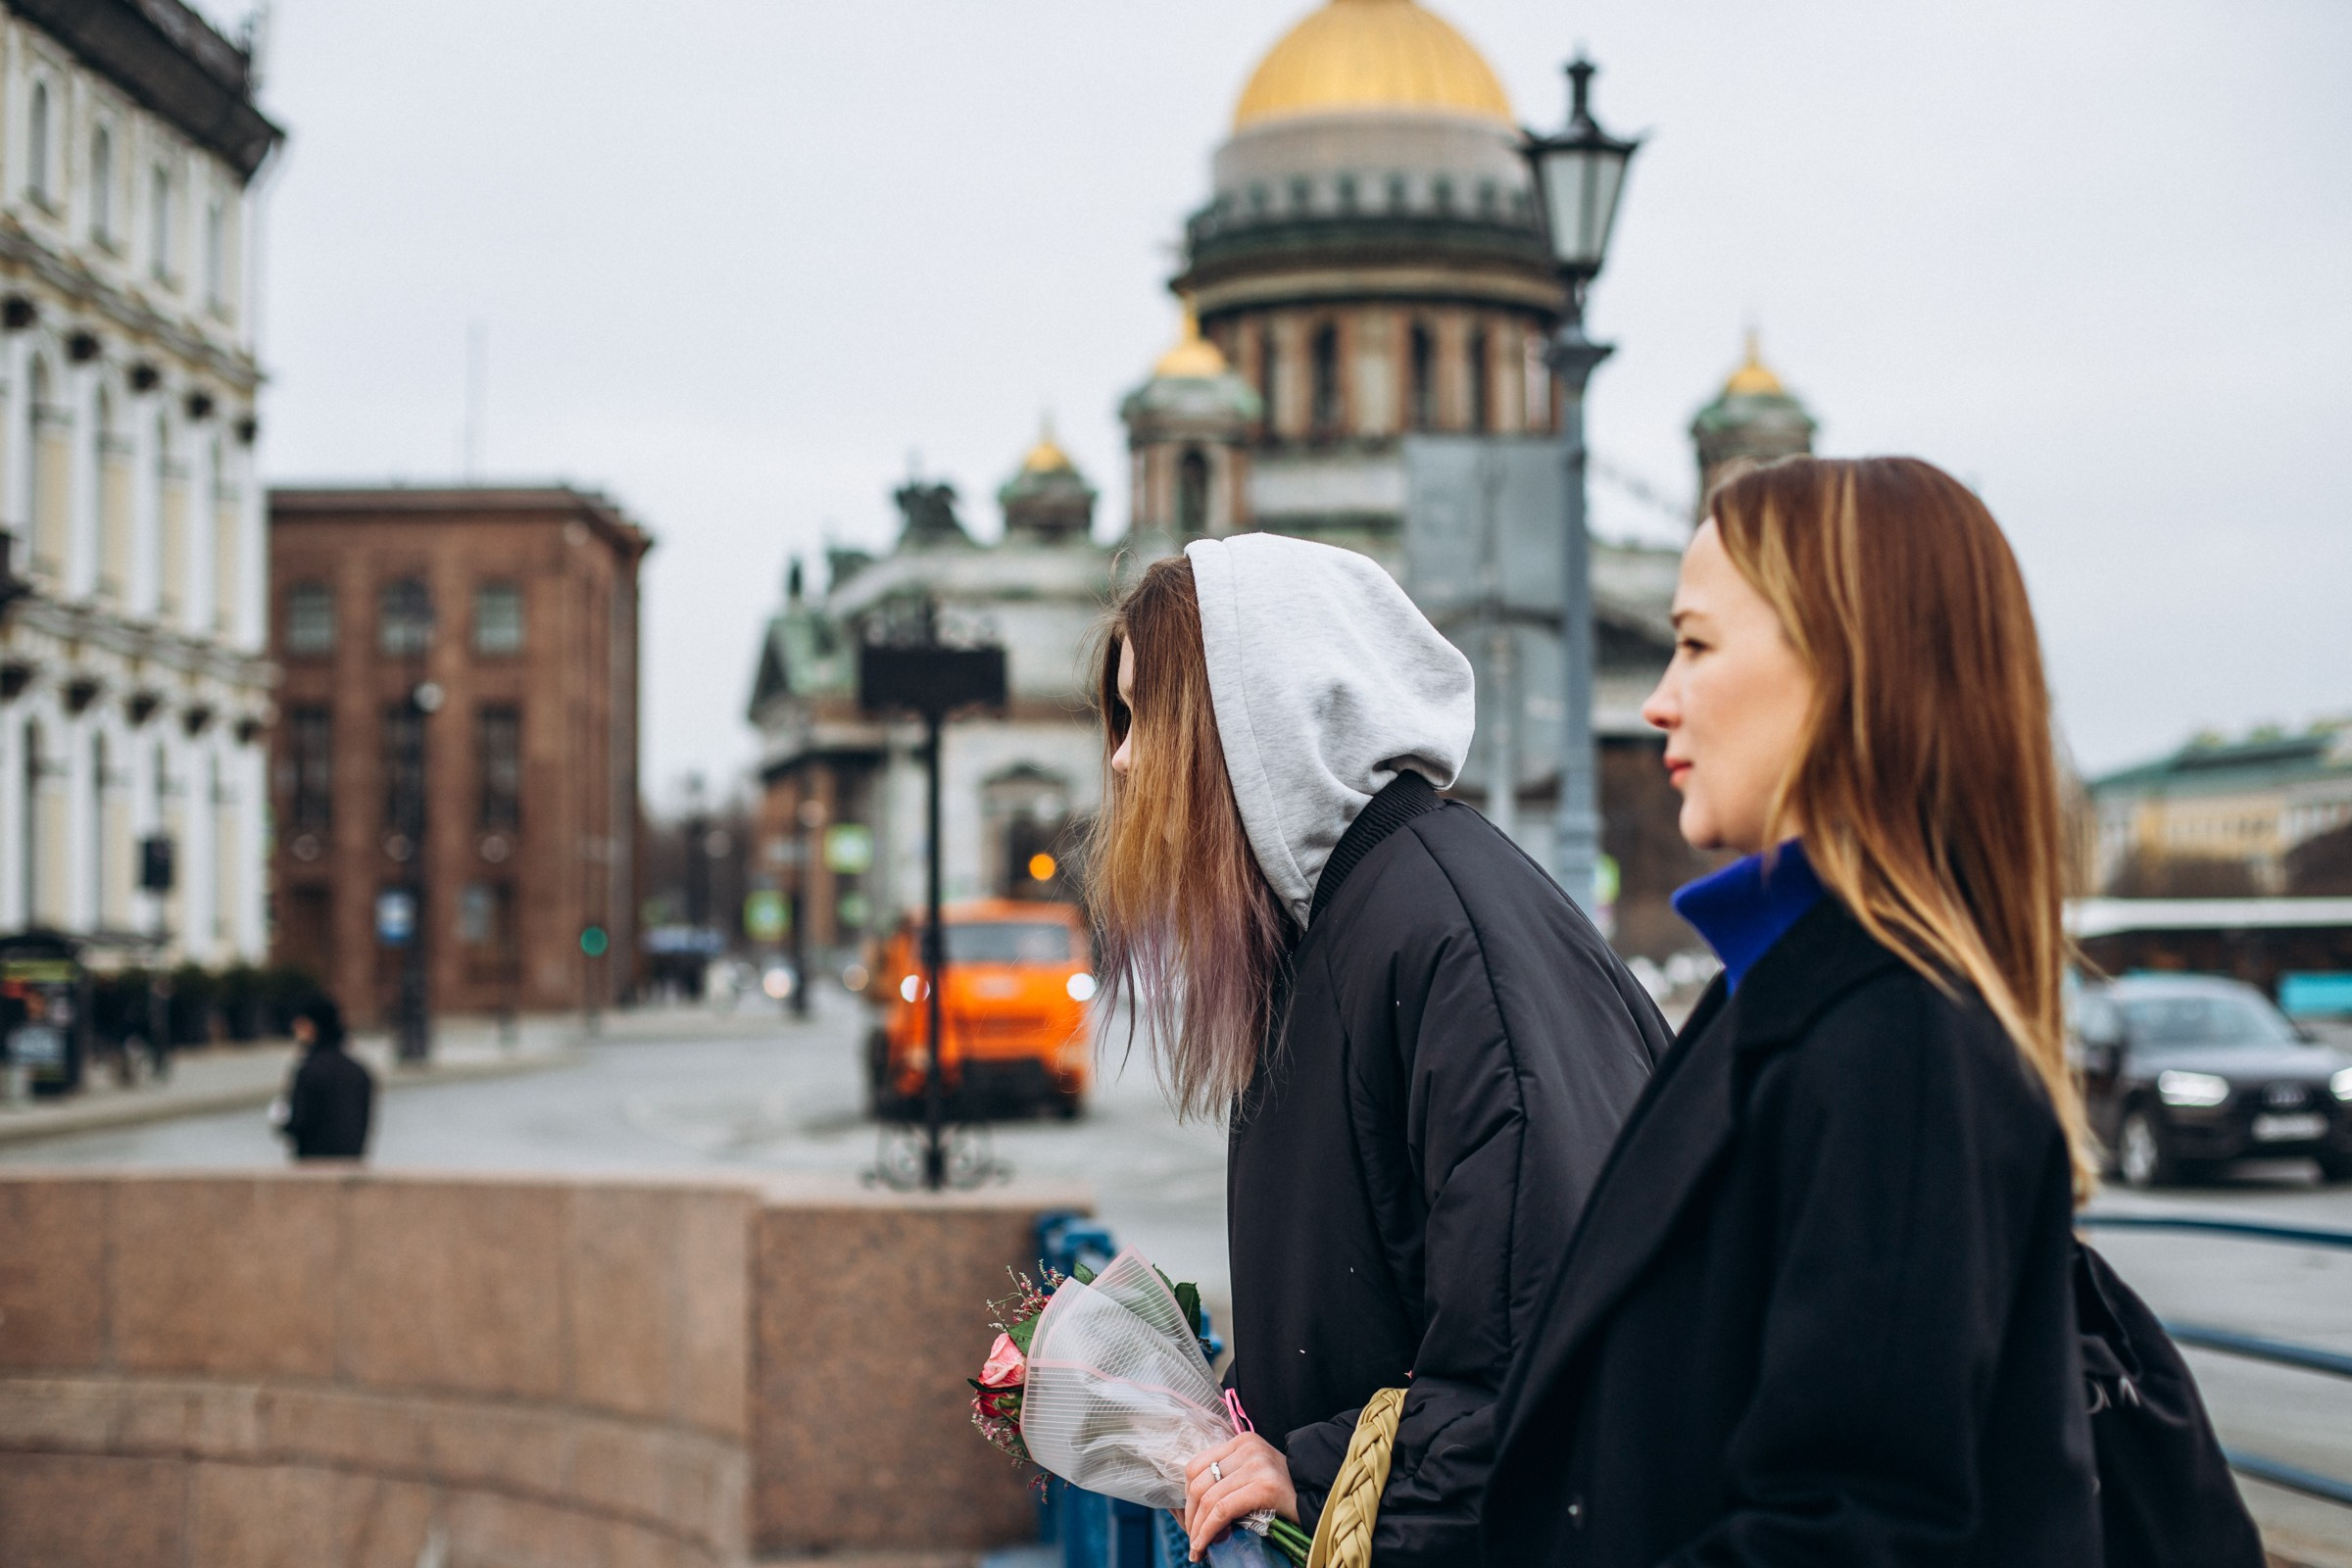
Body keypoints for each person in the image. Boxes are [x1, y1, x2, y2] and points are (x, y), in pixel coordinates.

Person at [1482, 456, 2102, 1565]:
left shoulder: (1893, 1036)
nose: (1656, 698)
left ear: (1851, 671)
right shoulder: (1796, 991)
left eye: (1698, 643)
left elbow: (1856, 1529)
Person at [1085, 535, 1672, 1565]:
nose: (1123, 759)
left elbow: (1543, 1344)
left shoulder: (1435, 930)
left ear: (1262, 711)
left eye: (1147, 716)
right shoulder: (1348, 919)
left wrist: (1311, 1473)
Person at [277, 996, 374, 1160]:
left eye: (301, 1024)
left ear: (312, 1027)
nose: (295, 1029)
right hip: (351, 1165)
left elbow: (298, 1123)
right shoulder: (359, 1071)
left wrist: (281, 1121)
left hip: (313, 1166)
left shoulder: (309, 1070)